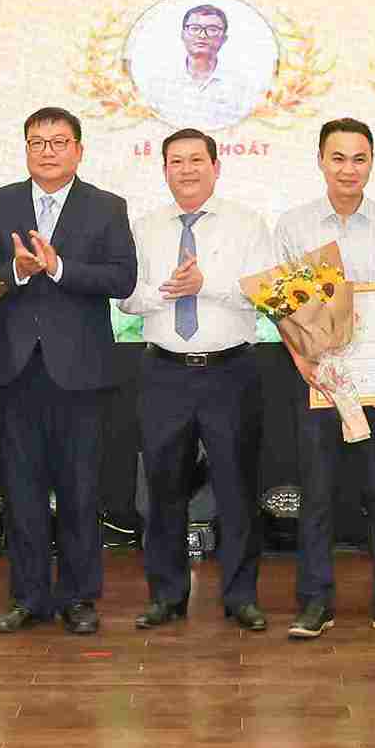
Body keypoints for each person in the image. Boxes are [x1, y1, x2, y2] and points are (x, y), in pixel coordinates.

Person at [0, 107, 138, 634]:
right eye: (36, 142)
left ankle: (80, 597)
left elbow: (123, 278)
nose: (47, 150)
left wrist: (60, 268)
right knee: (21, 490)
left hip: (81, 372)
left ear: (78, 149)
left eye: (58, 141)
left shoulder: (107, 207)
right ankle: (28, 596)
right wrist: (13, 272)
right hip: (16, 370)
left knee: (81, 489)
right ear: (25, 149)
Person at [273, 117, 375, 643]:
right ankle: (315, 603)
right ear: (320, 160)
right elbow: (284, 308)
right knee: (317, 496)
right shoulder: (294, 227)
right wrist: (302, 364)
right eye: (338, 158)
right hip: (319, 381)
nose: (348, 169)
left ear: (371, 164)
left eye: (359, 159)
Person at [119, 128, 274, 633]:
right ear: (163, 169)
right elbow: (127, 299)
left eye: (195, 160)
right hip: (164, 370)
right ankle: (166, 595)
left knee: (236, 487)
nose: (186, 170)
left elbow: (262, 293)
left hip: (231, 370)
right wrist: (166, 291)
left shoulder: (248, 224)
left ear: (215, 165)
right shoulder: (144, 227)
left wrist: (206, 285)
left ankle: (241, 597)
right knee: (163, 488)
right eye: (175, 162)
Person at [141, 2, 259, 131]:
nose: (202, 35)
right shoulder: (158, 83)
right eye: (194, 28)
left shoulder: (242, 86)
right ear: (183, 34)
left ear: (224, 39)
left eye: (212, 29)